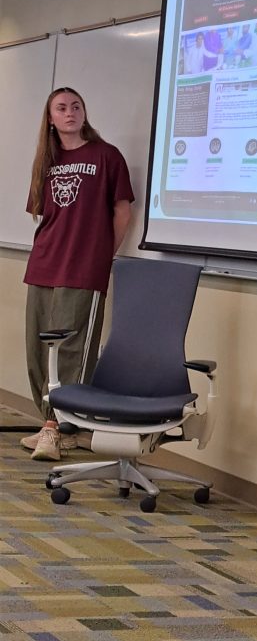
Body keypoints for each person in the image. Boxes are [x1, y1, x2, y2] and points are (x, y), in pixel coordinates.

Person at [21, 87, 134, 461]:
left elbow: (122, 213)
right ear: (50, 119)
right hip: (44, 263)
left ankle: (58, 426)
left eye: (76, 106)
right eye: (61, 108)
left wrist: (101, 256)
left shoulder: (107, 156)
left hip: (84, 267)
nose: (70, 112)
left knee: (71, 348)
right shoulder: (46, 161)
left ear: (84, 113)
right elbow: (47, 215)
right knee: (39, 347)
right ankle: (52, 424)